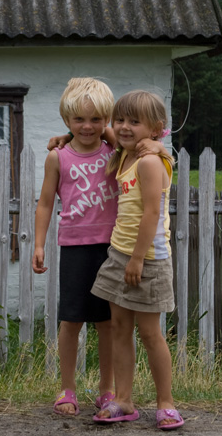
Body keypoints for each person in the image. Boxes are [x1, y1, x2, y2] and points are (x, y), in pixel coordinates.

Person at [32, 77, 163, 418]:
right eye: (78, 120)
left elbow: (150, 147)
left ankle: (107, 391)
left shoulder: (116, 151)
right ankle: (67, 388)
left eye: (95, 119)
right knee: (71, 320)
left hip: (111, 247)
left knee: (106, 322)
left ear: (106, 120)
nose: (87, 126)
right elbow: (45, 203)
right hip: (74, 246)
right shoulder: (57, 158)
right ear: (66, 121)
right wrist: (39, 244)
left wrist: (159, 147)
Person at [90, 91, 184, 430]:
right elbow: (102, 130)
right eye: (121, 120)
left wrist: (138, 260)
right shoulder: (126, 153)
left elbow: (152, 213)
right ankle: (124, 401)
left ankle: (166, 403)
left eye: (134, 121)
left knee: (149, 333)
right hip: (120, 253)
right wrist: (63, 138)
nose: (124, 127)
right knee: (119, 328)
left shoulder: (147, 161)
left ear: (157, 128)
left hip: (147, 258)